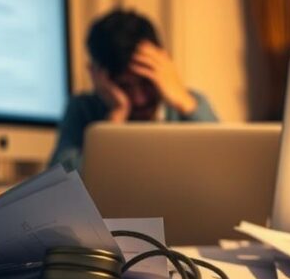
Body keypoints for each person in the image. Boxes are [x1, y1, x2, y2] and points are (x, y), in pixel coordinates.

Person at [50, 9, 217, 171]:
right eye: (124, 86)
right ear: (97, 76)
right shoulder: (82, 109)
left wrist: (185, 103)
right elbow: (58, 191)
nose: (139, 100)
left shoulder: (189, 104)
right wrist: (115, 116)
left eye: (146, 82)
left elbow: (223, 167)